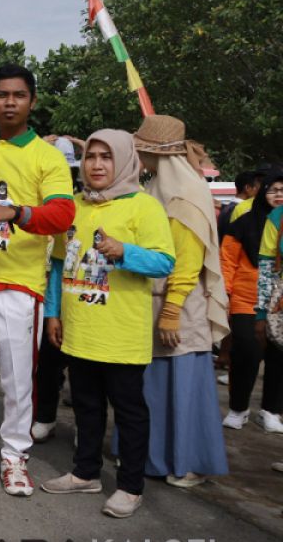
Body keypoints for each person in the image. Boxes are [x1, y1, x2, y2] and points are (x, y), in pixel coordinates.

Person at [0, 64, 75, 496]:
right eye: (1, 95)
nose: (9, 102)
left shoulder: (48, 156)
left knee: (19, 379)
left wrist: (16, 212)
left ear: (32, 101)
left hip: (20, 286)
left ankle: (15, 457)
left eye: (18, 95)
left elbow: (63, 214)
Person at [41, 130, 174, 518]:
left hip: (121, 333)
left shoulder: (143, 207)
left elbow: (165, 262)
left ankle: (131, 487)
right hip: (80, 328)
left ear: (124, 161)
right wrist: (53, 312)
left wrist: (124, 251)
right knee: (85, 405)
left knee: (129, 411)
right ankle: (86, 473)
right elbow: (56, 264)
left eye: (106, 157)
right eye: (91, 157)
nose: (97, 165)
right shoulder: (75, 206)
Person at [127, 115, 230, 486]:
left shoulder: (184, 196)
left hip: (180, 306)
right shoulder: (159, 188)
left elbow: (187, 262)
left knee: (183, 388)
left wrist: (171, 311)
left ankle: (188, 462)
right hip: (154, 302)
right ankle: (156, 459)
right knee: (155, 388)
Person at [221, 171, 283, 430]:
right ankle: (238, 407)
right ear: (262, 192)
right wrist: (224, 294)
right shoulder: (244, 222)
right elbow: (227, 260)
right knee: (247, 349)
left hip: (278, 301)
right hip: (246, 298)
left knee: (279, 355)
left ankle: (271, 410)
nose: (278, 195)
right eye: (273, 190)